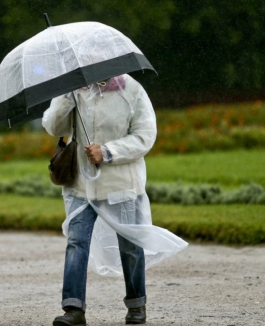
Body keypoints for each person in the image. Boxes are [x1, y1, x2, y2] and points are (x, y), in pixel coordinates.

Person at [42, 74, 188, 325]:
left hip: (120, 183)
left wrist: (108, 152)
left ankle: (136, 304)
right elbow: (54, 128)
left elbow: (145, 135)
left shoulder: (130, 89)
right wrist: (66, 95)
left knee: (130, 245)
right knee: (76, 241)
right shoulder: (74, 89)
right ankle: (73, 309)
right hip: (81, 185)